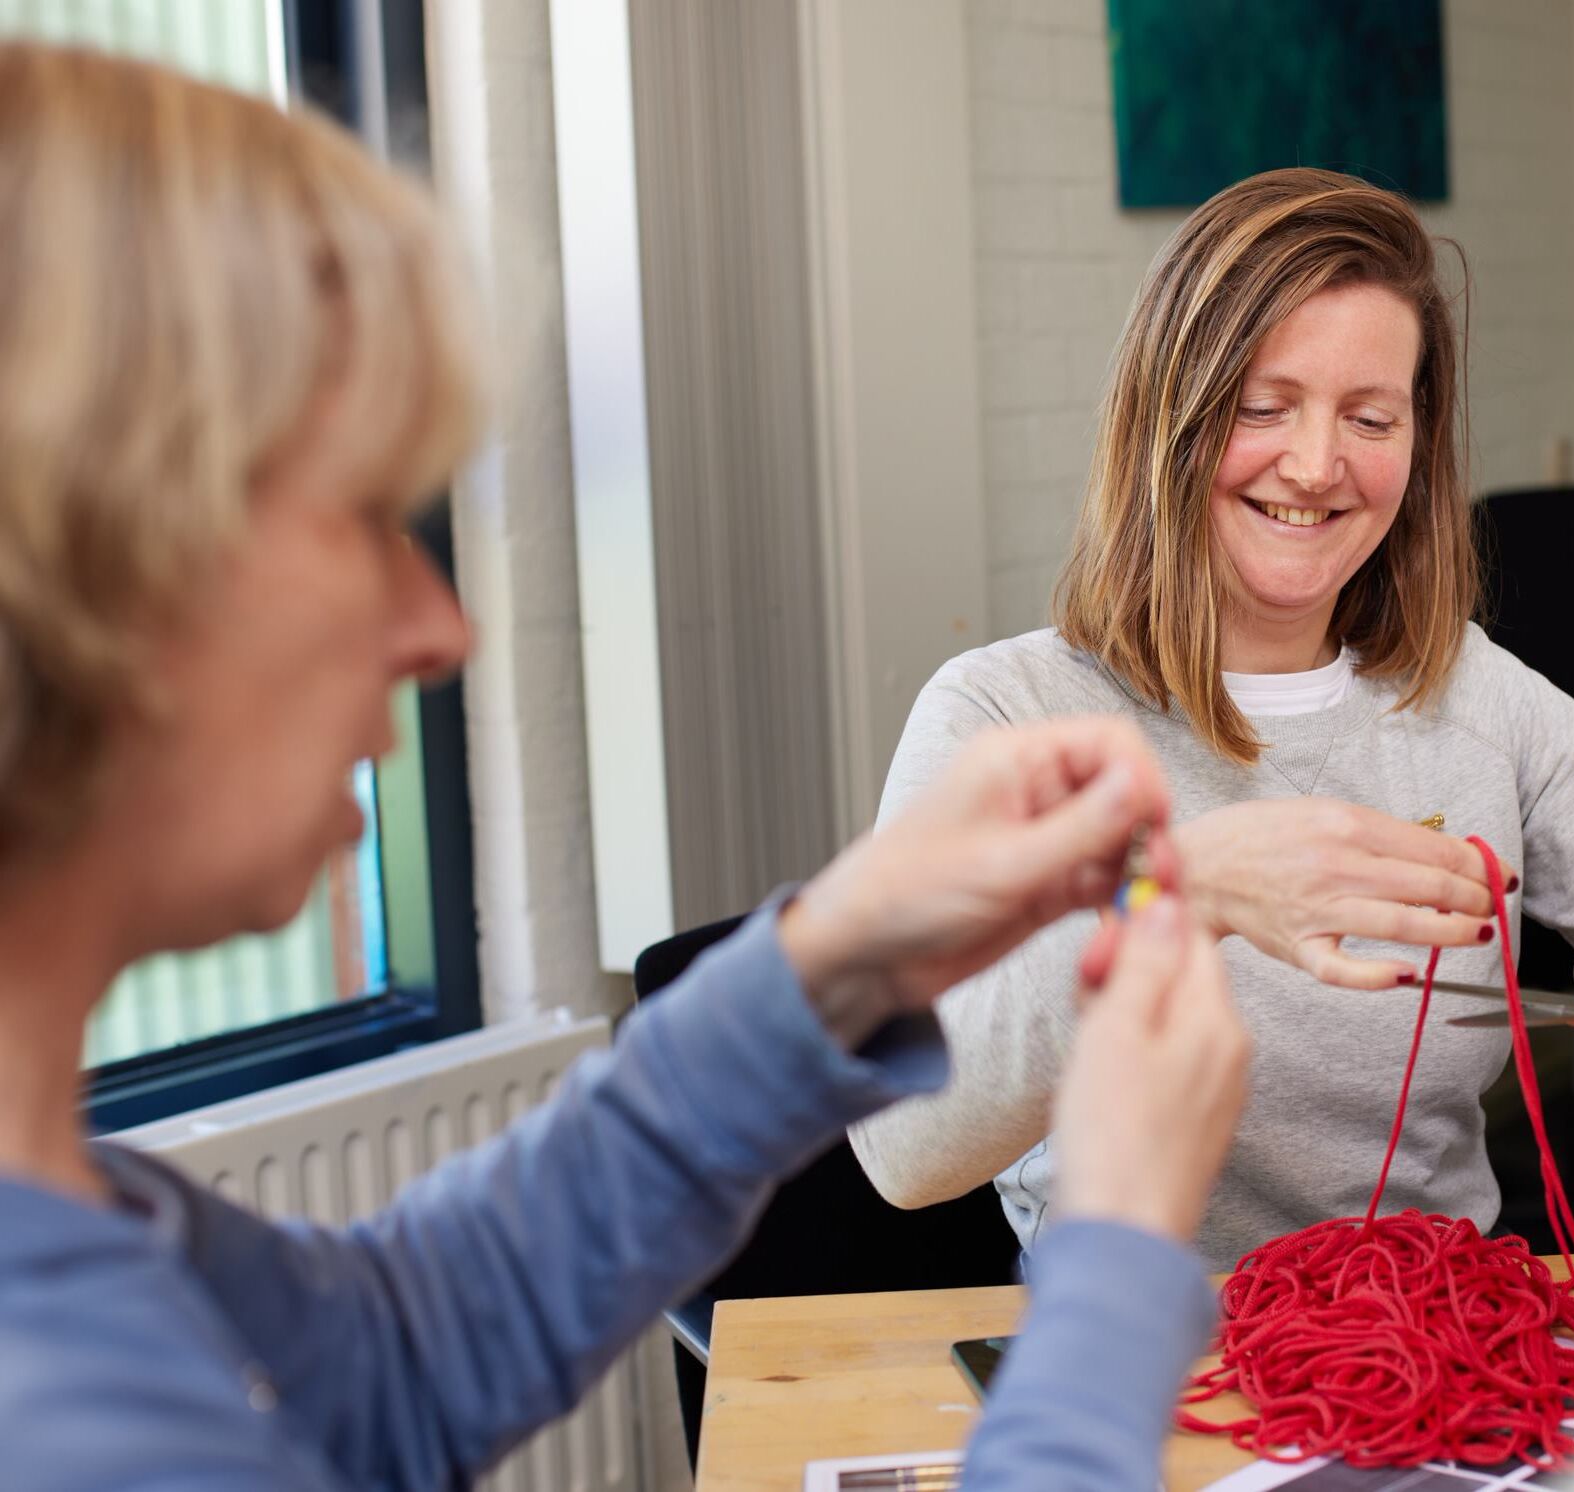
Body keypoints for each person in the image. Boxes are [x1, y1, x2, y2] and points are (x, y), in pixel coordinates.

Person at [0, 43, 1248, 1492]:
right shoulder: (60, 1418)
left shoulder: (83, 1227)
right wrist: (1110, 1266)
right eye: (358, 515)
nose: (441, 624)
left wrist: (838, 958)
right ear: (78, 566)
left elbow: (395, 1360)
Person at [851, 167, 1574, 1266]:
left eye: (1370, 416)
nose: (1313, 464)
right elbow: (904, 1149)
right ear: (1169, 416)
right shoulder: (1004, 715)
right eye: (1262, 406)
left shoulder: (1474, 696)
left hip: (1441, 1350)